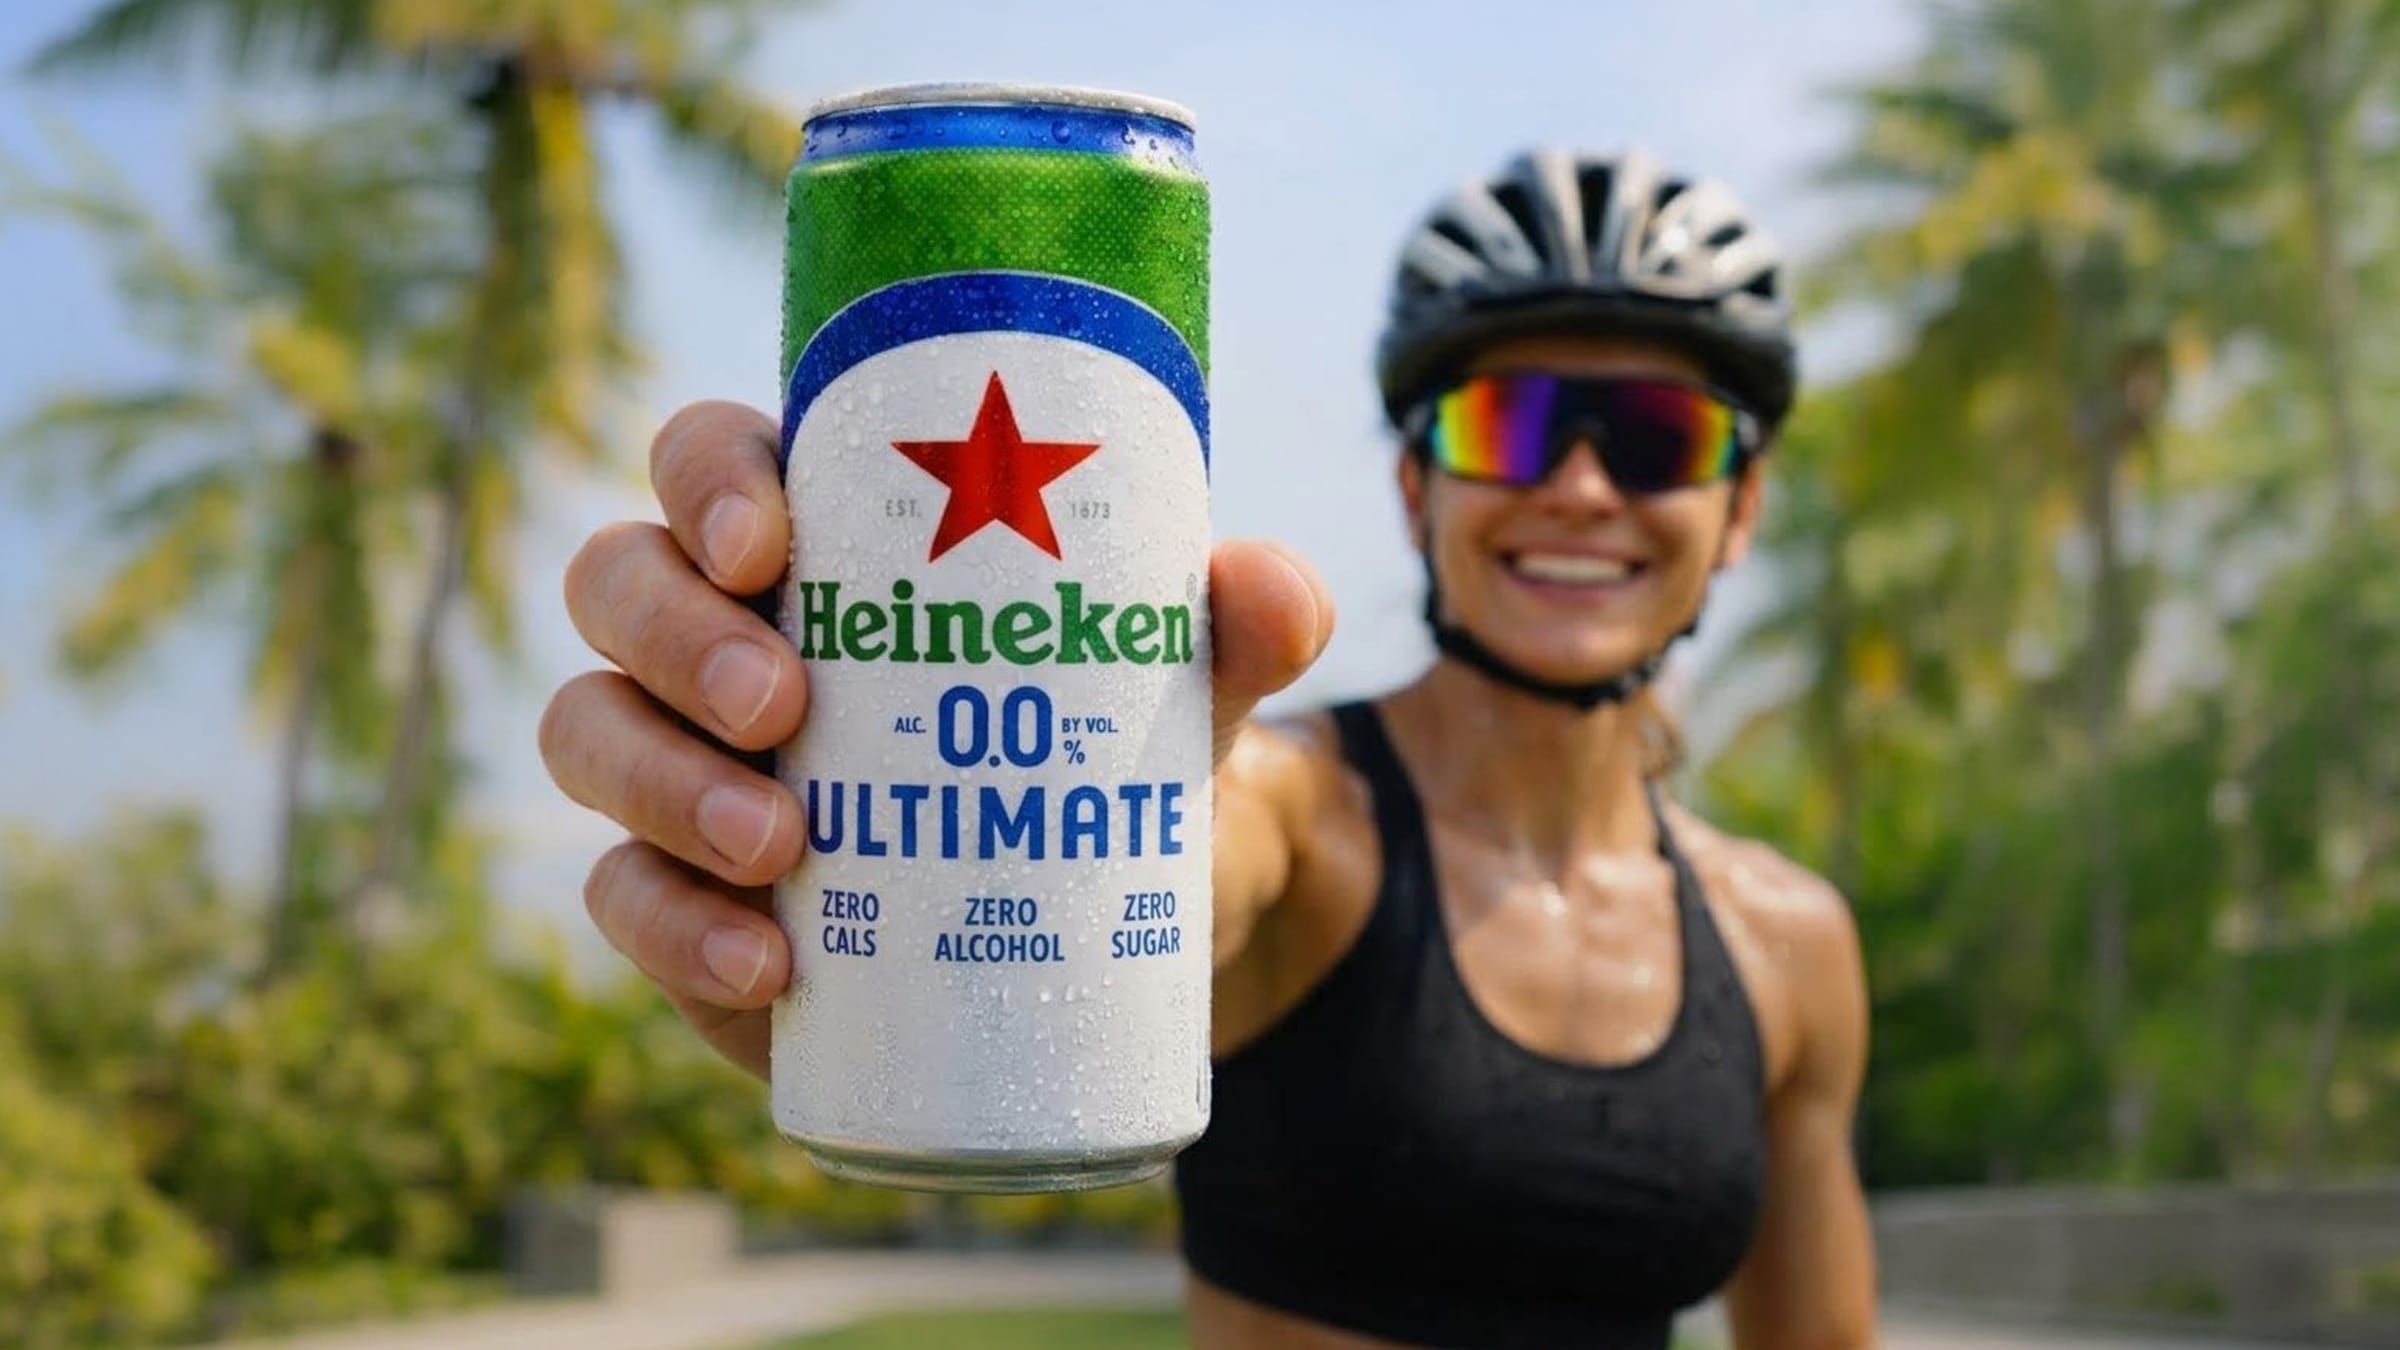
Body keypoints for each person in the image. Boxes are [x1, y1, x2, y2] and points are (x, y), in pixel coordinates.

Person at [540, 146, 1877, 1350]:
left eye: (1657, 437)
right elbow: (1185, 849)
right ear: (1417, 486)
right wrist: (842, 869)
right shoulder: (1299, 818)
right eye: (1507, 424)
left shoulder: (1791, 945)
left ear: (1740, 508)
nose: (1580, 486)